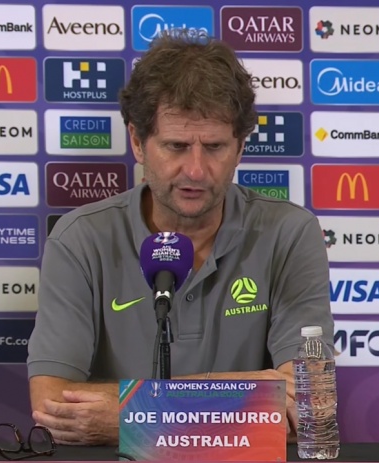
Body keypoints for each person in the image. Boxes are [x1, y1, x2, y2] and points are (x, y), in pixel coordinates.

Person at [27, 31, 335, 446]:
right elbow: (52, 406)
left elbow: (310, 406)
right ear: (138, 142)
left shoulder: (290, 233)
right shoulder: (80, 238)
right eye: (176, 146)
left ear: (240, 148)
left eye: (215, 147)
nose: (195, 170)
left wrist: (126, 416)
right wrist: (248, 393)